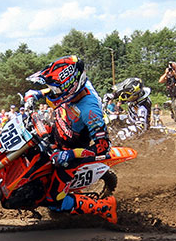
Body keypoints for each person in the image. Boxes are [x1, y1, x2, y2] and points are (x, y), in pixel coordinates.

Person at [23, 55, 116, 223]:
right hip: (54, 135)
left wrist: (72, 155)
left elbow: (103, 147)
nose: (53, 91)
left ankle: (104, 206)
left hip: (69, 153)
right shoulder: (75, 87)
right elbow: (53, 90)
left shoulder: (90, 110)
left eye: (57, 88)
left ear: (71, 87)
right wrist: (35, 95)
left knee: (54, 202)